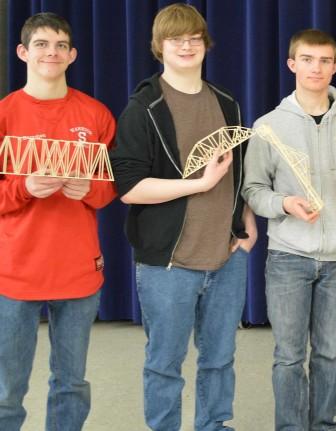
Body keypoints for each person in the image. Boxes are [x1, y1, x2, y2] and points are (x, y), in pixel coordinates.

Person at [109, 4, 256, 430]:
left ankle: (213, 425)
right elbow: (129, 188)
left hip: (226, 256)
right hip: (168, 263)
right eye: (176, 39)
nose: (187, 46)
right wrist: (198, 184)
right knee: (164, 363)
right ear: (160, 48)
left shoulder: (226, 102)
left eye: (194, 37)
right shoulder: (144, 107)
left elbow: (238, 172)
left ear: (205, 43)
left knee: (219, 359)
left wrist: (246, 224)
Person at [242, 28, 336, 430]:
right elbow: (253, 189)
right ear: (292, 64)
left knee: (329, 353)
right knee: (289, 355)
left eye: (326, 60)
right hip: (287, 258)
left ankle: (324, 424)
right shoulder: (268, 126)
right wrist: (284, 205)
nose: (317, 68)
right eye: (308, 59)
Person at [0, 12, 116, 431]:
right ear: (23, 52)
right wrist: (24, 187)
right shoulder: (5, 114)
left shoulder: (96, 114)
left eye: (61, 45)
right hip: (15, 273)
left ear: (72, 55)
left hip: (77, 270)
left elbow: (110, 189)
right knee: (6, 389)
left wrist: (90, 191)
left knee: (71, 383)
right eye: (42, 44)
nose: (52, 52)